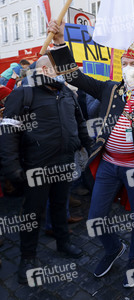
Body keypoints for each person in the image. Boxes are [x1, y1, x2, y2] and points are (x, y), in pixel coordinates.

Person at [47, 20, 134, 287]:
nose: (128, 69)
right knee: (95, 217)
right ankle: (114, 248)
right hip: (108, 164)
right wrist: (58, 44)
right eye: (125, 64)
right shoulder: (110, 89)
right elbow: (74, 77)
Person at [0, 55, 93, 284]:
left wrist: (90, 150)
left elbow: (79, 123)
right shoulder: (23, 94)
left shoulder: (66, 93)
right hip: (36, 167)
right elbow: (8, 132)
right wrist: (11, 166)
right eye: (57, 69)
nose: (61, 73)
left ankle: (63, 243)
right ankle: (28, 258)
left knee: (60, 205)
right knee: (32, 214)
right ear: (44, 69)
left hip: (64, 162)